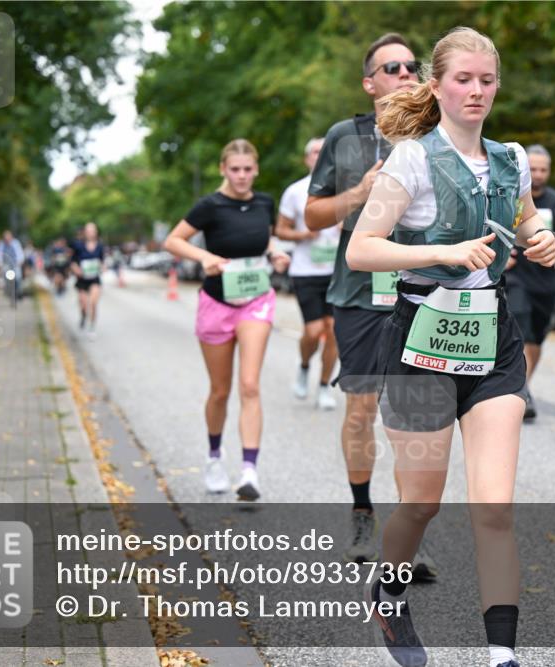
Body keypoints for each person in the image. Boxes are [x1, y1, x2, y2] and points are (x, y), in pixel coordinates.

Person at [346, 27, 555, 667]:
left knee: (493, 508)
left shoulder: (512, 157)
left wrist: (541, 239)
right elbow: (363, 248)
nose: (476, 91)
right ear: (435, 85)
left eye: (486, 80)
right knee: (422, 503)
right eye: (463, 79)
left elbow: (525, 219)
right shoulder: (410, 159)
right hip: (420, 343)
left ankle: (503, 656)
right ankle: (389, 594)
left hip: (492, 343)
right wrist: (441, 250)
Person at [306, 32, 442, 572]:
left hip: (425, 290)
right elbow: (314, 216)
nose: (406, 74)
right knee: (362, 408)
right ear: (369, 83)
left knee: (417, 415)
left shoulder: (440, 135)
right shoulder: (345, 137)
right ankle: (362, 515)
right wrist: (359, 194)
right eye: (392, 68)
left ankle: (411, 532)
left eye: (413, 66)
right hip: (361, 295)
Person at [164, 139, 290, 502]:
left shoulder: (264, 203)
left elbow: (263, 239)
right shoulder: (210, 205)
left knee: (250, 385)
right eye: (234, 169)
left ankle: (249, 470)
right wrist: (204, 257)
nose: (241, 176)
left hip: (255, 299)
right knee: (220, 391)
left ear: (256, 170)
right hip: (217, 302)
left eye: (248, 169)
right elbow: (173, 241)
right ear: (223, 169)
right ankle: (214, 456)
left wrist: (275, 252)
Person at [504, 145, 555, 421]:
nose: (537, 174)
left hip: (545, 282)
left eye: (542, 169)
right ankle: (519, 391)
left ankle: (524, 385)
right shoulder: (512, 199)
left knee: (536, 338)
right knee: (521, 330)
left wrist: (553, 246)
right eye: (532, 169)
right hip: (515, 278)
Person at [274, 137, 340, 410]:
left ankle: (324, 387)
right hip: (305, 271)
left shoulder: (346, 190)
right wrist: (303, 234)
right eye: (315, 151)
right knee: (313, 332)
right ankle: (304, 366)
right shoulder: (295, 191)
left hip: (338, 271)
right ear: (307, 159)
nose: (320, 155)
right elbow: (280, 230)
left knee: (334, 332)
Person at [70, 222, 105, 339]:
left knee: (93, 303)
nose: (91, 233)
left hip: (94, 278)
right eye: (89, 230)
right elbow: (72, 262)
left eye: (93, 230)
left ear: (96, 232)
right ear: (85, 232)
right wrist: (77, 270)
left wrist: (103, 267)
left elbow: (102, 261)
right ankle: (84, 316)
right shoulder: (78, 245)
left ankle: (92, 327)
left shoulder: (100, 246)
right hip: (82, 280)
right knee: (84, 305)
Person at [0, 230, 25, 304]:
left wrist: (20, 261)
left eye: (8, 238)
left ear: (11, 237)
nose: (6, 240)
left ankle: (18, 292)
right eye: (5, 238)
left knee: (18, 277)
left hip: (15, 263)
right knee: (6, 277)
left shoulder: (16, 243)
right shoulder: (1, 244)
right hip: (6, 264)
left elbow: (19, 253)